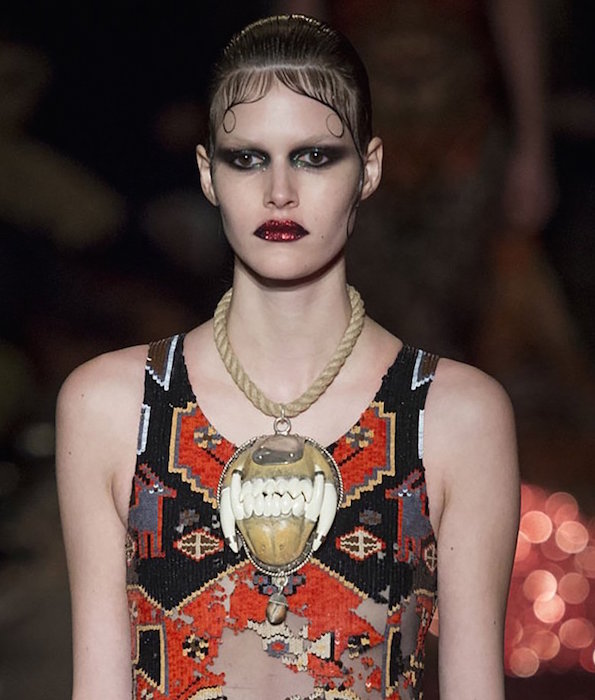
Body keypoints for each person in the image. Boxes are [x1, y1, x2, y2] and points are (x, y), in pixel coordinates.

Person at [56, 14, 519, 700]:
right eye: (247, 158)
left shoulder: (458, 414)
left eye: (314, 156)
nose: (279, 191)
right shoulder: (111, 405)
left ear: (369, 169)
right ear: (207, 174)